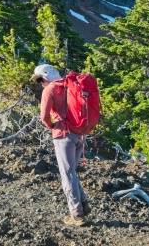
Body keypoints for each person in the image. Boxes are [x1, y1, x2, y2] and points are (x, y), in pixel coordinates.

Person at [30, 64, 90, 226]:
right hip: (79, 135)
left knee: (67, 173)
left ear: (47, 77)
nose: (41, 83)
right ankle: (83, 203)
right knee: (71, 171)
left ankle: (76, 214)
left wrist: (51, 125)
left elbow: (44, 116)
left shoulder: (49, 90)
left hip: (63, 136)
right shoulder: (70, 85)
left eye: (41, 79)